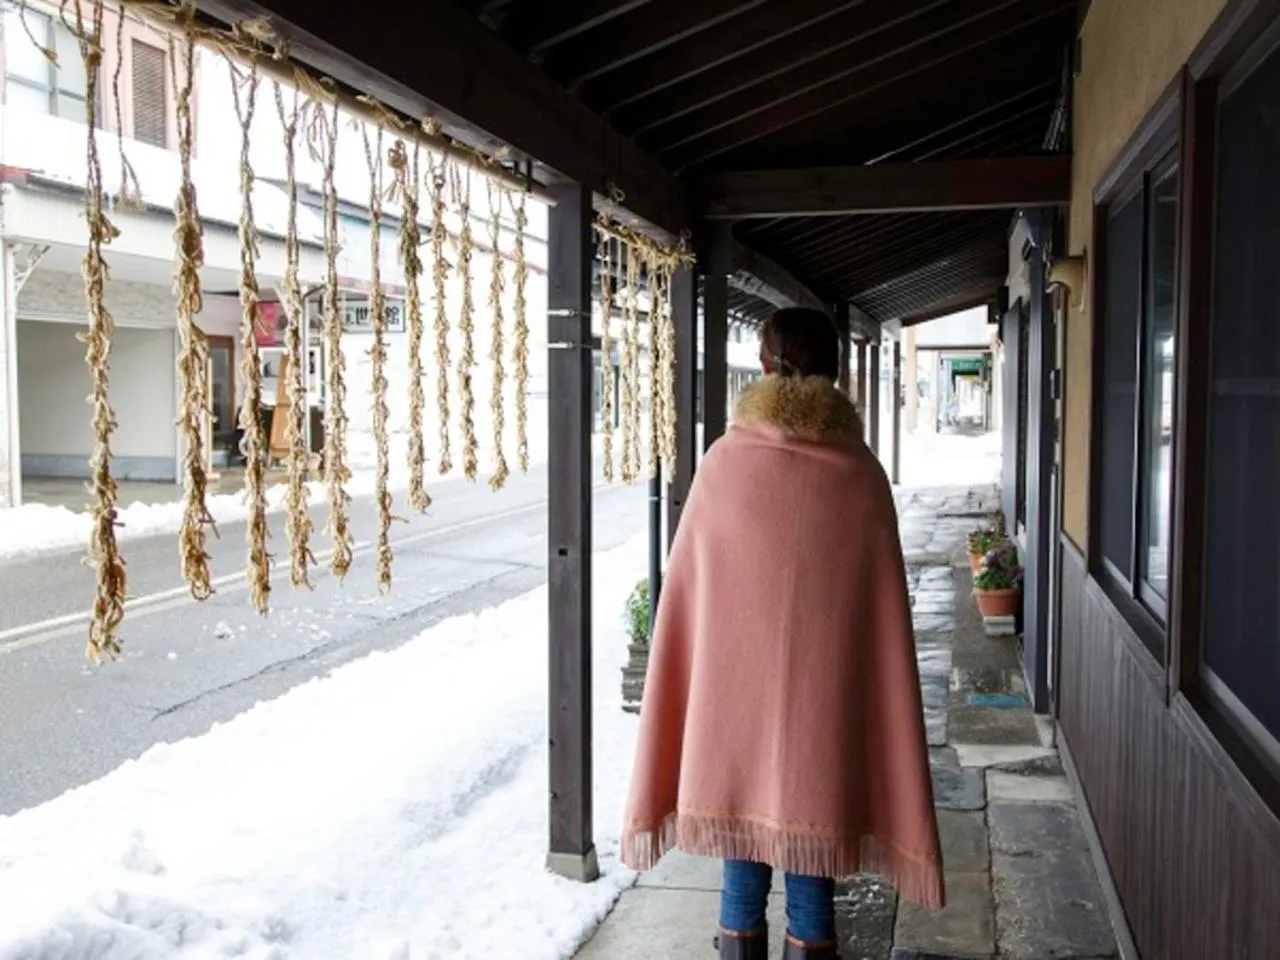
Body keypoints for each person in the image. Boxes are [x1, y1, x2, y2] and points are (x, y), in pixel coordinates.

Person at [621, 308, 944, 959]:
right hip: (818, 721)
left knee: (740, 878)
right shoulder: (860, 475)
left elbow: (690, 596)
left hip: (732, 717)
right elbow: (876, 613)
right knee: (811, 876)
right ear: (836, 371)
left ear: (765, 365)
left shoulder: (723, 466)